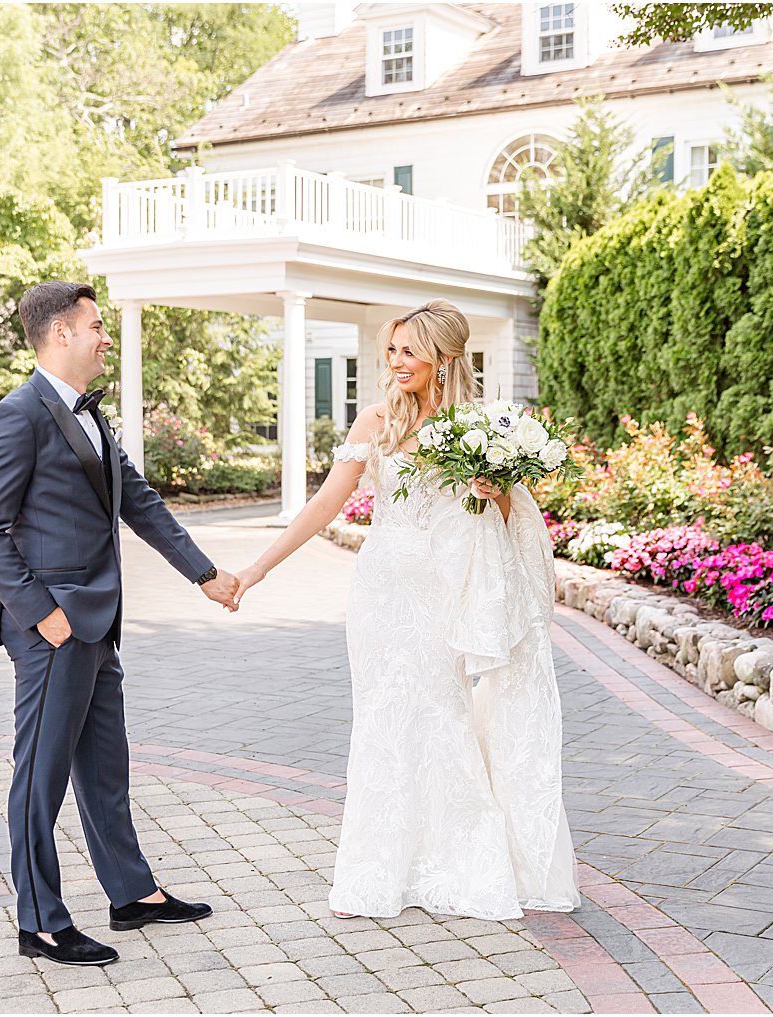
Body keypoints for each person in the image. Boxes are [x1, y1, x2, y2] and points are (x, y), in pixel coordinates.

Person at [233, 299, 579, 921]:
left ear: (444, 359)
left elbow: (507, 524)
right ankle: (377, 871)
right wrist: (256, 571)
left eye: (409, 352)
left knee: (443, 714)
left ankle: (460, 863)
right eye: (390, 350)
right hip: (382, 591)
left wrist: (494, 493)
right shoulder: (374, 423)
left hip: (442, 592)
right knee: (383, 716)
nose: (396, 363)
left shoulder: (480, 431)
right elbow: (321, 508)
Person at [0, 281, 240, 966]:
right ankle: (42, 921)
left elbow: (139, 502)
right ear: (60, 333)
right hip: (55, 628)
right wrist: (43, 615)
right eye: (94, 325)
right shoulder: (16, 415)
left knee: (104, 765)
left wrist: (205, 574)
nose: (104, 336)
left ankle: (131, 892)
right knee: (41, 777)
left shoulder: (90, 415)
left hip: (99, 621)